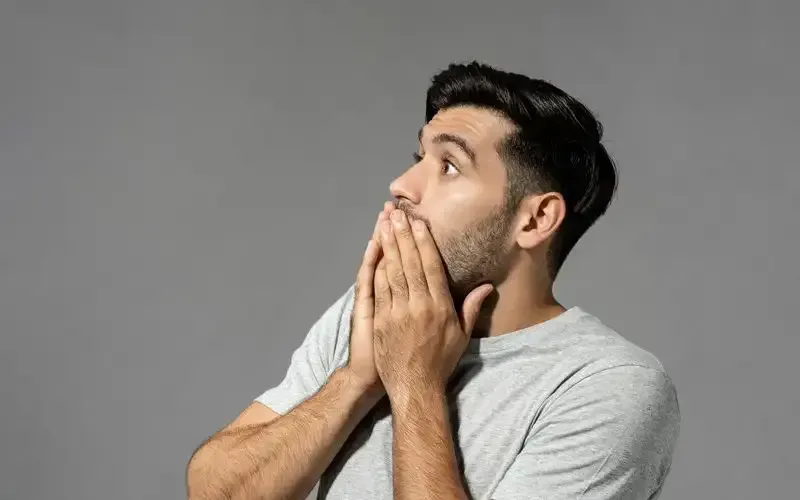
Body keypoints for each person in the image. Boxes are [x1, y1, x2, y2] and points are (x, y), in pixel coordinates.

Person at [186, 61, 681, 500]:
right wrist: (357, 379)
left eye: (449, 165)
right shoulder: (374, 315)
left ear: (534, 221)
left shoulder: (607, 385)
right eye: (418, 156)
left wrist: (414, 382)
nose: (402, 185)